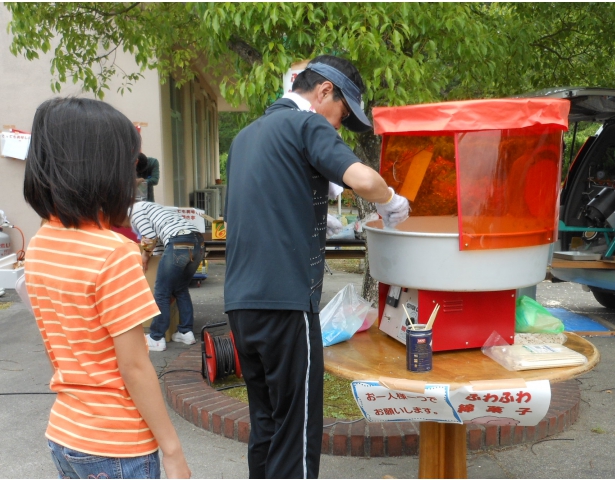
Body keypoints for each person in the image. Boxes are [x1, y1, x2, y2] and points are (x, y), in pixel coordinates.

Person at [224, 55, 410, 479]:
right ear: (325, 90)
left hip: (240, 304)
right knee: (297, 434)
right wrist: (391, 200)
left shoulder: (246, 137)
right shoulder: (306, 125)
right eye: (342, 115)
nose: (338, 127)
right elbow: (365, 181)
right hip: (286, 303)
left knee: (266, 425)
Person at [22, 97, 191, 479]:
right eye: (130, 165)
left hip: (66, 434)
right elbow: (134, 366)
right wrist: (172, 450)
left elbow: (63, 340)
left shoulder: (41, 242)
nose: (134, 178)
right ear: (104, 170)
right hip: (118, 446)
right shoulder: (114, 252)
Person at [129, 201, 205, 351]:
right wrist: (157, 259)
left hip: (178, 242)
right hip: (198, 243)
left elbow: (150, 237)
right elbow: (159, 245)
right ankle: (186, 332)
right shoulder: (155, 209)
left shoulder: (135, 210)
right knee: (181, 289)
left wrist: (145, 256)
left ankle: (156, 338)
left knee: (162, 292)